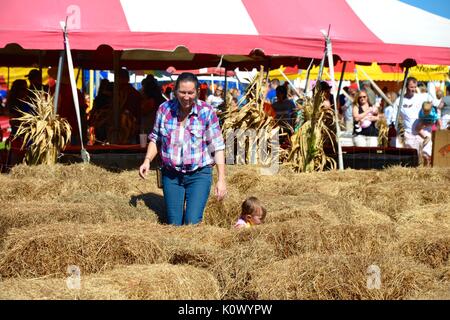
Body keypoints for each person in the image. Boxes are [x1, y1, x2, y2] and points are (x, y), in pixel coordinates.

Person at [139, 72, 227, 225]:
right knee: (174, 223)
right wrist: (147, 161)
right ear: (175, 91)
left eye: (191, 93)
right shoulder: (164, 110)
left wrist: (221, 179)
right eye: (182, 92)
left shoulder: (206, 112)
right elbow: (155, 138)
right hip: (172, 175)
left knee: (192, 221)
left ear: (198, 92)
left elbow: (218, 146)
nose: (186, 97)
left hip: (199, 174)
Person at [395, 77, 428, 156]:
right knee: (410, 158)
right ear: (405, 87)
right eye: (411, 87)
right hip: (408, 134)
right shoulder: (399, 100)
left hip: (421, 133)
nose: (413, 89)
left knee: (421, 157)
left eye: (415, 87)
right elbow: (394, 117)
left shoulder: (421, 98)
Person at [416, 101, 441, 166]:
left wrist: (437, 130)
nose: (426, 113)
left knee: (429, 149)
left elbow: (438, 123)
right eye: (425, 112)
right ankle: (425, 137)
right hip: (424, 124)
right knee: (417, 128)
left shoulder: (433, 114)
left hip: (431, 125)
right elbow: (420, 121)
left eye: (427, 112)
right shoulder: (421, 113)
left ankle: (428, 162)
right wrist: (423, 125)